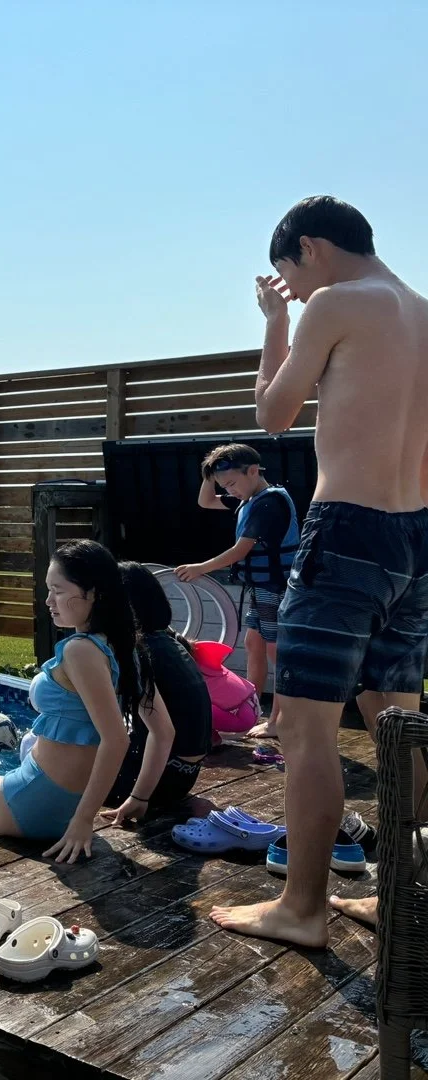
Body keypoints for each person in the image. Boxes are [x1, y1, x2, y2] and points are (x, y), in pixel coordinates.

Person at [209, 196, 428, 944]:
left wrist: (273, 324)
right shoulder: (423, 313)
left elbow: (272, 415)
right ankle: (402, 897)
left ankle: (301, 908)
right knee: (400, 727)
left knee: (304, 728)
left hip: (347, 533)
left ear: (310, 247)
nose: (295, 293)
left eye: (289, 277)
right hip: (416, 538)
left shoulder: (337, 302)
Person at [0, 540, 137, 864]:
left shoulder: (80, 650)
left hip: (37, 800)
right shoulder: (115, 644)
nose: (48, 601)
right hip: (58, 799)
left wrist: (83, 820)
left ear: (92, 593)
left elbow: (116, 739)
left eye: (58, 590)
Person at [175, 443, 299, 738]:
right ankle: (251, 706)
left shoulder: (269, 503)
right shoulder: (248, 498)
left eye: (232, 483)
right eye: (224, 486)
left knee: (277, 653)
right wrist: (210, 473)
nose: (229, 491)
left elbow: (240, 551)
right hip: (260, 588)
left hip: (276, 587)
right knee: (253, 643)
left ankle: (279, 720)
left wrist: (201, 568)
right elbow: (206, 501)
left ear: (253, 471)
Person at [101, 563, 213, 825]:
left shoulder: (138, 653)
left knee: (42, 750)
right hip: (183, 776)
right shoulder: (170, 642)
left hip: (155, 783)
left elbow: (163, 734)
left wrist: (139, 797)